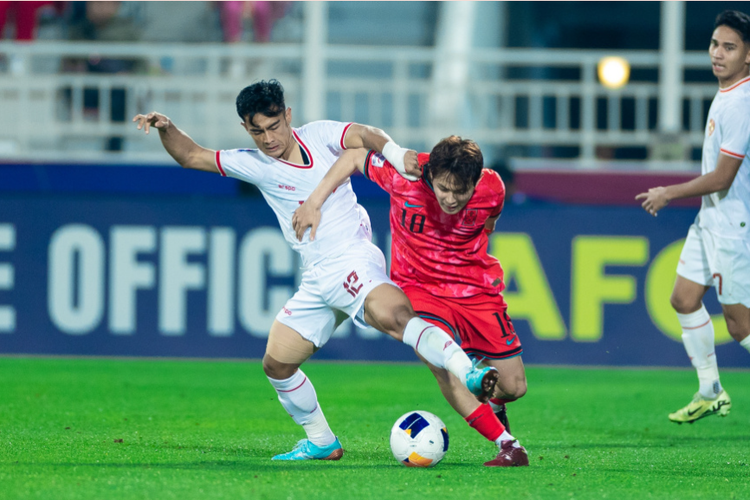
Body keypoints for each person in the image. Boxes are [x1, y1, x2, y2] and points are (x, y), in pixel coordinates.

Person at [132, 79, 499, 461]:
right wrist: (167, 128)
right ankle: (323, 441)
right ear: (246, 128)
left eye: (274, 126)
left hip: (352, 258)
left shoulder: (320, 135)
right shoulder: (254, 163)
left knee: (396, 317)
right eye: (257, 131)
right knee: (277, 364)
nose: (269, 138)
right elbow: (192, 156)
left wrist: (394, 151)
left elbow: (365, 135)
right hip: (318, 277)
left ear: (287, 116)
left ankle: (467, 369)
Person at [292, 136, 530, 467]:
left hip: (474, 288)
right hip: (419, 287)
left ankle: (492, 400)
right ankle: (508, 445)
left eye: (459, 192)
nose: (449, 199)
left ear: (475, 182)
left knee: (514, 386)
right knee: (442, 364)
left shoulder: (492, 188)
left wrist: (480, 234)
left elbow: (492, 214)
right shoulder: (406, 173)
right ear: (430, 174)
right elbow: (355, 154)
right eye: (442, 189)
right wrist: (314, 201)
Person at [636, 10, 750, 424]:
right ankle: (710, 390)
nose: (717, 54)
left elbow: (722, 178)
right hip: (711, 221)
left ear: (749, 55)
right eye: (715, 44)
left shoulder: (742, 102)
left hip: (734, 228)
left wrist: (669, 192)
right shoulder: (728, 92)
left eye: (729, 47)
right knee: (683, 298)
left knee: (741, 328)